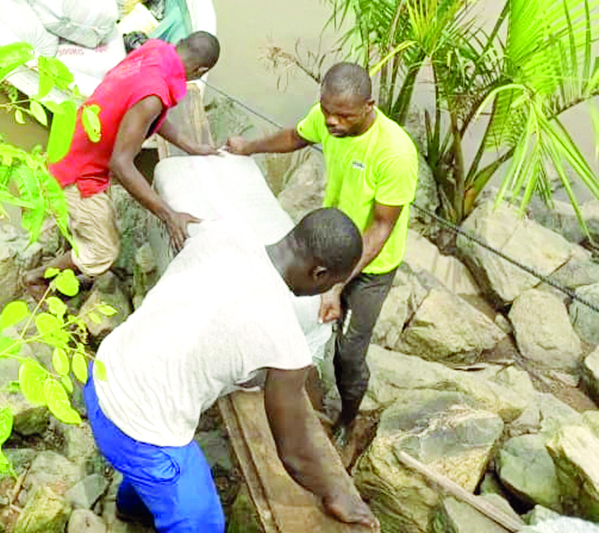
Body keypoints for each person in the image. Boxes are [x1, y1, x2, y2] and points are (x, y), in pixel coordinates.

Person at [85, 208, 378, 532]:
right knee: (205, 523)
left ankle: (132, 507)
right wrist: (336, 492)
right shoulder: (283, 339)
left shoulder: (226, 229)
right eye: (330, 284)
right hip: (134, 430)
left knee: (159, 470)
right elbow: (294, 453)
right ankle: (154, 500)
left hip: (102, 372)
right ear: (319, 273)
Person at [225, 61, 418, 447]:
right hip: (329, 246)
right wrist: (250, 147)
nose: (331, 122)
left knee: (348, 354)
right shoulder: (328, 117)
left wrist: (337, 286)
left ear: (369, 106)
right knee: (287, 306)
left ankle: (348, 418)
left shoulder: (393, 153)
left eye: (343, 116)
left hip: (369, 265)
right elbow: (297, 136)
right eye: (327, 110)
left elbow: (381, 226)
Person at [27, 32, 221, 286]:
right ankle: (36, 279)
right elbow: (121, 164)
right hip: (79, 171)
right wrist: (169, 215)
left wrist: (191, 146)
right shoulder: (153, 95)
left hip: (74, 140)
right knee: (103, 251)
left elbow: (146, 115)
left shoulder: (156, 50)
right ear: (200, 70)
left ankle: (72, 239)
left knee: (97, 222)